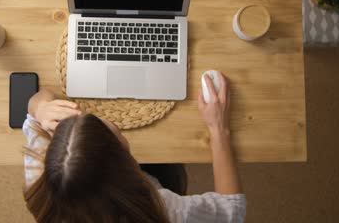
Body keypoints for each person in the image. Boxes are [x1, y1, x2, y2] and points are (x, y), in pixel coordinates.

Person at [22, 72, 246, 222]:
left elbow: (34, 105)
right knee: (171, 170)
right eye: (114, 130)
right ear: (126, 161)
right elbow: (233, 210)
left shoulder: (39, 175)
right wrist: (219, 129)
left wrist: (42, 108)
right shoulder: (164, 207)